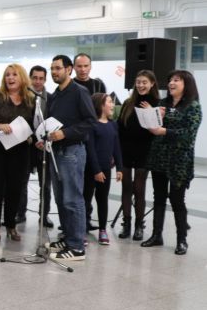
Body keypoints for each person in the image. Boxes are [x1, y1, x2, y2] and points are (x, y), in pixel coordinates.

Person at [44, 55, 97, 261]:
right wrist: (45, 136)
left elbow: (91, 121)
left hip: (72, 152)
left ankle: (77, 246)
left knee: (73, 199)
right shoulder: (55, 94)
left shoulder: (79, 92)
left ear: (69, 70)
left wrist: (65, 133)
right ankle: (67, 238)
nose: (54, 72)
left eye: (58, 68)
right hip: (55, 151)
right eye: (52, 69)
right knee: (61, 199)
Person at [142, 70, 202, 255]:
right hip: (159, 157)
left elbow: (188, 134)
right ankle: (156, 235)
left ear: (187, 84)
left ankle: (181, 239)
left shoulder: (192, 106)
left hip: (179, 161)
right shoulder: (162, 103)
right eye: (170, 80)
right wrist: (151, 116)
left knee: (177, 200)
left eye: (176, 80)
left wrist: (164, 130)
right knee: (158, 197)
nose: (171, 83)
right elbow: (154, 127)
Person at [0, 64, 35, 242]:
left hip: (20, 150)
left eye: (14, 75)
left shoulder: (30, 99)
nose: (10, 78)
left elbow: (34, 124)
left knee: (15, 188)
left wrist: (30, 136)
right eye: (7, 75)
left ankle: (11, 225)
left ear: (22, 78)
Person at [117, 70, 160, 240]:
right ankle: (126, 223)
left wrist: (151, 111)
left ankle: (139, 225)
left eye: (144, 82)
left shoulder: (157, 103)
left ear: (152, 84)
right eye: (138, 82)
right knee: (126, 187)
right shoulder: (128, 103)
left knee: (139, 189)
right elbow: (120, 128)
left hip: (145, 151)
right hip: (126, 150)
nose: (141, 85)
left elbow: (157, 129)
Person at [17, 65, 54, 228]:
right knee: (21, 181)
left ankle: (44, 215)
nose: (38, 81)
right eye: (35, 78)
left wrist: (45, 139)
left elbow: (54, 123)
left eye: (41, 78)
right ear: (29, 78)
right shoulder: (21, 97)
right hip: (26, 145)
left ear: (45, 80)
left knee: (45, 184)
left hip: (43, 147)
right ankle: (20, 213)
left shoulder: (51, 98)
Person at [83, 93, 123, 245]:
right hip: (91, 169)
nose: (113, 105)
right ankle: (82, 229)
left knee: (102, 199)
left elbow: (117, 147)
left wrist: (119, 168)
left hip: (106, 170)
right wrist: (96, 170)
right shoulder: (92, 125)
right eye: (110, 102)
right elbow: (90, 149)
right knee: (85, 199)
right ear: (100, 105)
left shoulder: (113, 125)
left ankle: (102, 229)